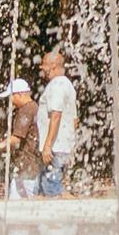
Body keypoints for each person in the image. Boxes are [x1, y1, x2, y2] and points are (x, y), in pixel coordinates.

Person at [32, 46, 80, 196]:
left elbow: (56, 115)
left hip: (55, 148)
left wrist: (47, 146)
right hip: (61, 146)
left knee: (53, 193)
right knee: (43, 192)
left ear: (53, 66)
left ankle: (71, 214)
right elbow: (74, 121)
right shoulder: (66, 85)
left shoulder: (57, 85)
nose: (41, 68)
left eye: (44, 64)